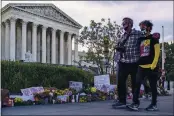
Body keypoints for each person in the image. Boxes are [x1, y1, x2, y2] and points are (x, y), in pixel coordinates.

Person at [127, 20, 160, 111]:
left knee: (153, 86)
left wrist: (154, 64)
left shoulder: (154, 38)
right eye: (141, 27)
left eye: (144, 27)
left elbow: (157, 52)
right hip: (141, 66)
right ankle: (135, 103)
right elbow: (138, 53)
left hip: (152, 66)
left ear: (149, 28)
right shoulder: (140, 39)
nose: (142, 28)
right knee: (136, 85)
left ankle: (154, 104)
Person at [112, 17, 143, 108]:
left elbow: (146, 41)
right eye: (122, 23)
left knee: (135, 83)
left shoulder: (138, 34)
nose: (123, 25)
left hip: (135, 62)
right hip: (123, 62)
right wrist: (118, 47)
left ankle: (135, 102)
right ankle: (122, 101)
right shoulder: (123, 36)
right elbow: (118, 45)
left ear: (130, 24)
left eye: (124, 23)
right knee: (120, 82)